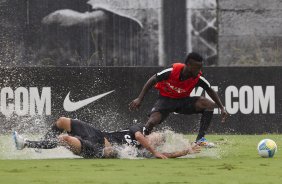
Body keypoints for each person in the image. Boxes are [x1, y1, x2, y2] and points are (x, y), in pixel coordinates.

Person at [129, 52, 229, 146]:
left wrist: (221, 107)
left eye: (201, 67)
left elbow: (210, 90)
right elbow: (152, 80)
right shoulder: (172, 71)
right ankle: (141, 143)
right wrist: (139, 98)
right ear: (189, 65)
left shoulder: (197, 77)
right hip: (165, 100)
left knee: (209, 104)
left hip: (183, 101)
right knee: (151, 122)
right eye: (197, 67)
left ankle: (200, 140)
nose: (200, 70)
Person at [13, 117, 200, 159]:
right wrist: (154, 150)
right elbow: (140, 137)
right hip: (97, 135)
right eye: (157, 137)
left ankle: (27, 144)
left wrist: (186, 150)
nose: (157, 140)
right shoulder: (138, 130)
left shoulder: (141, 152)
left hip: (98, 150)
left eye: (159, 141)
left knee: (65, 139)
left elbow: (167, 154)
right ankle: (41, 145)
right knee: (62, 121)